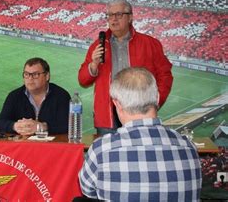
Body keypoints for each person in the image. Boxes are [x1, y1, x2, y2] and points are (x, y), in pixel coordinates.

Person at [79, 67, 201, 201]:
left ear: (116, 104)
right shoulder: (189, 148)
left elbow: (88, 191)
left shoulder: (101, 150)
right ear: (157, 97)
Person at [78, 0, 173, 135]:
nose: (113, 19)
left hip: (140, 113)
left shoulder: (150, 44)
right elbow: (83, 80)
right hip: (107, 117)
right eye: (110, 15)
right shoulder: (97, 46)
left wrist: (156, 101)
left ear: (130, 17)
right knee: (108, 154)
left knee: (139, 154)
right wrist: (93, 65)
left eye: (119, 14)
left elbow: (165, 75)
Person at [0, 57, 70, 135]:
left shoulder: (61, 96)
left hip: (52, 145)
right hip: (24, 145)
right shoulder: (14, 96)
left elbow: (67, 125)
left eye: (35, 74)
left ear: (47, 76)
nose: (30, 78)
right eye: (26, 74)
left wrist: (42, 127)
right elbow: (0, 123)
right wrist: (15, 126)